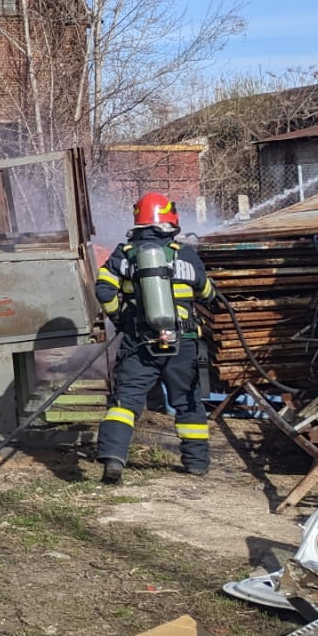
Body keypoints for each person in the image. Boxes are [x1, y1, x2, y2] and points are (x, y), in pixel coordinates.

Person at [93, 193, 218, 484]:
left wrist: (120, 318)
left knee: (126, 401)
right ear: (170, 219)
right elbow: (207, 293)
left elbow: (104, 290)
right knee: (188, 402)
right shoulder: (185, 253)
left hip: (140, 341)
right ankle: (196, 464)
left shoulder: (124, 253)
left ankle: (113, 458)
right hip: (183, 341)